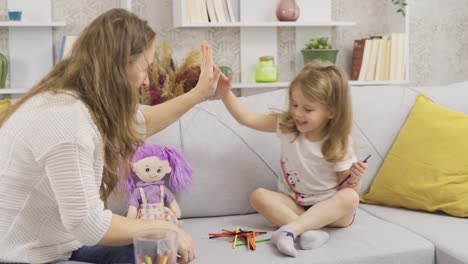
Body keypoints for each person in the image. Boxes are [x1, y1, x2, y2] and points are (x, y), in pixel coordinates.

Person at [0, 8, 225, 264]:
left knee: (161, 252)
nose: (146, 84)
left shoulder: (80, 103)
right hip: (21, 256)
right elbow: (88, 224)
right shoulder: (66, 120)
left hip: (60, 244)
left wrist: (198, 94)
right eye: (145, 69)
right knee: (160, 247)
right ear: (118, 68)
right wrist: (166, 228)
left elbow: (142, 122)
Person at [216, 60, 368, 257]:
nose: (297, 113)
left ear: (331, 111)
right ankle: (309, 232)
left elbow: (347, 189)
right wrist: (225, 93)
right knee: (258, 196)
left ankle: (292, 230)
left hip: (329, 212)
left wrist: (355, 178)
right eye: (294, 104)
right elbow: (248, 118)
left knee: (350, 197)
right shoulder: (287, 126)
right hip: (296, 204)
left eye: (308, 109)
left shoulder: (338, 141)